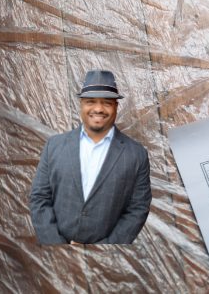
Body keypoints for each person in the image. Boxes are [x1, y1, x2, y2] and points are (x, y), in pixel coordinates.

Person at [30, 70, 152, 245]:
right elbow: (39, 198)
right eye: (91, 102)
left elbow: (138, 208)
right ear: (81, 104)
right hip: (57, 255)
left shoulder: (136, 154)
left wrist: (103, 253)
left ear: (116, 106)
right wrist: (58, 248)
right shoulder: (54, 146)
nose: (98, 109)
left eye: (107, 103)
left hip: (107, 260)